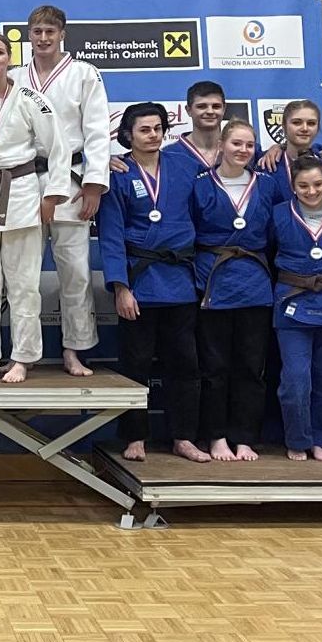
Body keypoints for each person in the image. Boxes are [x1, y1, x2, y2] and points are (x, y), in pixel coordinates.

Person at [97, 103, 206, 462]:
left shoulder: (184, 167)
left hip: (179, 280)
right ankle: (134, 437)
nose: (153, 135)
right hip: (139, 281)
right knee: (136, 365)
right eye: (144, 130)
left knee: (185, 365)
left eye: (158, 128)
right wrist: (120, 287)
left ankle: (184, 437)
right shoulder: (118, 173)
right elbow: (111, 234)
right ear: (127, 135)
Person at [0, 32, 68, 383]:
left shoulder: (31, 98)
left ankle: (22, 358)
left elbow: (58, 147)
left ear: (9, 58)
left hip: (21, 194)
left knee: (24, 285)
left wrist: (52, 195)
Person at [10, 5, 110, 377]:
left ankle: (74, 349)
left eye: (50, 31)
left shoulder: (84, 74)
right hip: (25, 181)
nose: (43, 38)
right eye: (37, 31)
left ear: (62, 34)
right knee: (22, 276)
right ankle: (22, 352)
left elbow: (98, 132)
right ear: (29, 35)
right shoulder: (14, 76)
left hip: (71, 183)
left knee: (76, 272)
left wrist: (94, 185)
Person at [189, 119, 279, 462]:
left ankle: (245, 438)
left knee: (251, 368)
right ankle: (216, 437)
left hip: (255, 283)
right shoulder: (200, 185)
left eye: (249, 145)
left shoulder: (267, 185)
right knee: (215, 368)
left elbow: (278, 230)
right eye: (236, 143)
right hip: (214, 281)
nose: (243, 150)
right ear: (221, 145)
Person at [269, 152, 322, 461]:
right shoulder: (278, 214)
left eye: (318, 184)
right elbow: (268, 250)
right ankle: (298, 439)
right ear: (293, 186)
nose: (311, 191)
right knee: (295, 379)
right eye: (303, 186)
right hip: (292, 300)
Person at [161, 81, 227, 173]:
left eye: (216, 106)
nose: (210, 111)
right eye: (202, 106)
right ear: (188, 110)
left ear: (224, 109)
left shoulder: (240, 150)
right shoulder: (169, 154)